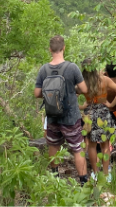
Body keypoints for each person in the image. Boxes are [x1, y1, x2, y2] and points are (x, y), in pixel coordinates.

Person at [34, 36, 89, 186]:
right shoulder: (72, 68)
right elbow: (84, 89)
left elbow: (37, 93)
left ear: (50, 49)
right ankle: (84, 181)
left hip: (52, 115)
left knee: (53, 145)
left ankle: (55, 177)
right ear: (64, 48)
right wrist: (73, 89)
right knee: (78, 149)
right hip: (71, 116)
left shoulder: (44, 70)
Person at [80, 62, 116, 183]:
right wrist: (111, 105)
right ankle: (106, 174)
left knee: (92, 145)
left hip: (90, 114)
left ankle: (95, 173)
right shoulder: (104, 80)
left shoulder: (83, 83)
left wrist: (81, 106)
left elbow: (70, 95)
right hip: (104, 112)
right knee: (105, 144)